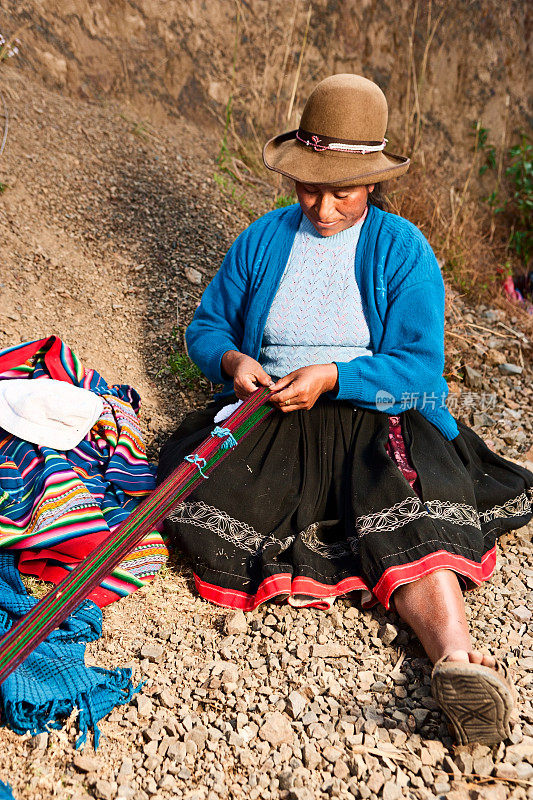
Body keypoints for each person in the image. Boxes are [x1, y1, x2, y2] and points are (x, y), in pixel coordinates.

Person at [158, 74, 533, 745]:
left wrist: (334, 375)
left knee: (406, 495)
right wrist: (232, 363)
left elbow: (417, 368)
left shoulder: (402, 249)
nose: (323, 208)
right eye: (309, 188)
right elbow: (206, 327)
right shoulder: (261, 240)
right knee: (203, 491)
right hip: (273, 414)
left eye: (343, 192)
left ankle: (454, 659)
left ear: (373, 185)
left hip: (374, 412)